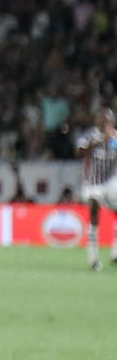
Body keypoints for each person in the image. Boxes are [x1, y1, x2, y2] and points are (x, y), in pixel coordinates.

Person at [77, 108, 117, 271]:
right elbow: (79, 151)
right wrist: (100, 141)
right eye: (103, 120)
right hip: (92, 183)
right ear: (98, 121)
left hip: (111, 182)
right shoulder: (90, 135)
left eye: (109, 120)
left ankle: (115, 253)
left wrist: (110, 139)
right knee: (94, 212)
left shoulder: (115, 137)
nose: (106, 123)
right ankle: (93, 257)